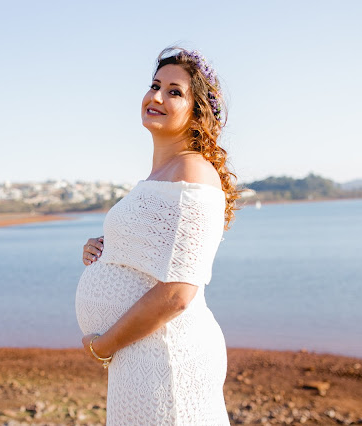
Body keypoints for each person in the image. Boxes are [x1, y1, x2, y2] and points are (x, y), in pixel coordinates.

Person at [74, 46, 240, 425]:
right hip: (140, 356)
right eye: (154, 85)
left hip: (166, 358)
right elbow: (153, 252)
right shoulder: (158, 177)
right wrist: (104, 250)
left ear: (198, 111)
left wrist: (104, 346)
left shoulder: (193, 174)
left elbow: (179, 293)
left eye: (174, 91)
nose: (157, 96)